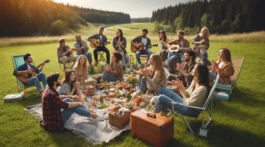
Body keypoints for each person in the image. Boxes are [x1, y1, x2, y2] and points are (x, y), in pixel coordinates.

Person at [40, 72, 108, 131]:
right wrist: (78, 103)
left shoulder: (49, 90)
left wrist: (70, 96)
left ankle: (91, 113)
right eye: (59, 79)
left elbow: (58, 98)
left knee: (68, 100)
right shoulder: (52, 94)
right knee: (73, 106)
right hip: (54, 123)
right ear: (54, 82)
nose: (60, 80)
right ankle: (95, 116)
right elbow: (66, 105)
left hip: (51, 118)